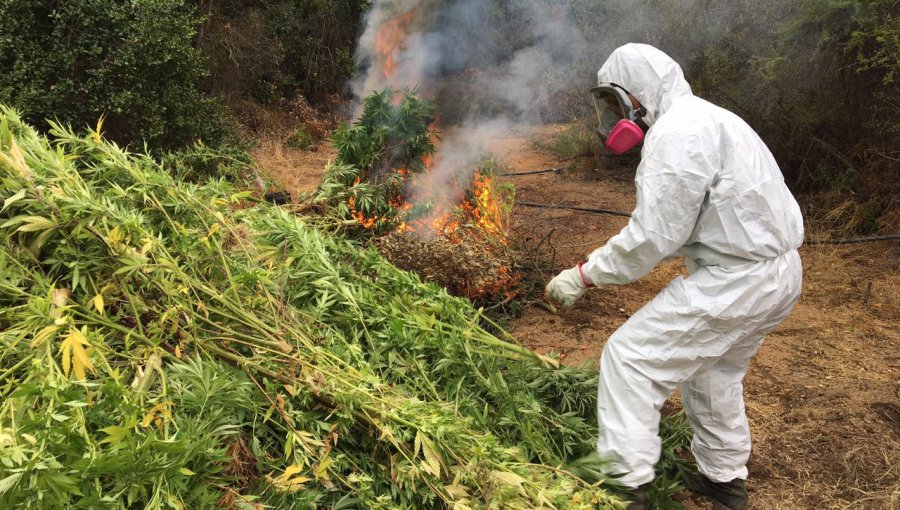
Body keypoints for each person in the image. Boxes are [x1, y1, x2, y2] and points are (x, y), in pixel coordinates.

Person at [544, 43, 804, 510]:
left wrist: (582, 275)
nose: (612, 116)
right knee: (712, 371)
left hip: (737, 280)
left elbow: (652, 239)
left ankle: (623, 488)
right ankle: (724, 482)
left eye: (614, 103)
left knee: (631, 358)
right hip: (777, 274)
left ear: (638, 94)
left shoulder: (677, 134)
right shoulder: (710, 117)